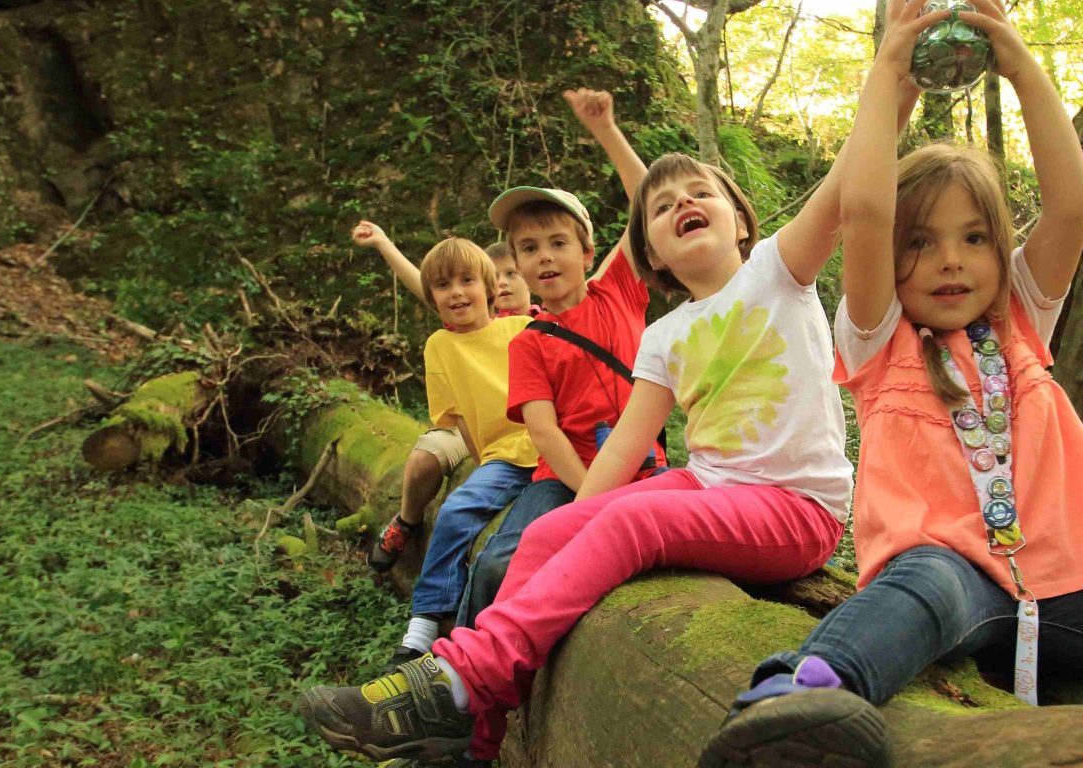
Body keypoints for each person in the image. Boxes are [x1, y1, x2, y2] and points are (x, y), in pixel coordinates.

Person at [699, 3, 1083, 766]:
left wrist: (1017, 61)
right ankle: (799, 697)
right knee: (922, 590)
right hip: (948, 573)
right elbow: (865, 207)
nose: (951, 261)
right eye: (922, 243)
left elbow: (1074, 203)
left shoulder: (1019, 319)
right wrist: (890, 74)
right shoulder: (879, 340)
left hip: (1061, 586)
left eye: (975, 238)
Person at [297, 96, 871, 767]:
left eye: (699, 192)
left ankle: (458, 679)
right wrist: (579, 522)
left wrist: (895, 65)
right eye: (659, 207)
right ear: (650, 250)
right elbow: (626, 445)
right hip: (708, 485)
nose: (680, 202)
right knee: (544, 533)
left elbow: (850, 178)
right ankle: (474, 742)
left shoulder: (779, 272)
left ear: (742, 219)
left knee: (628, 528)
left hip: (795, 509)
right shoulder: (663, 335)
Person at [452, 88, 669, 630]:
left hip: (647, 470)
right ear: (517, 268)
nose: (544, 256)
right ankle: (455, 670)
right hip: (564, 477)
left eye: (557, 242)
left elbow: (646, 200)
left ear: (588, 253)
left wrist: (606, 131)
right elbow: (545, 434)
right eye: (529, 248)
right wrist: (589, 497)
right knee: (501, 560)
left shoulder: (617, 290)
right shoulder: (529, 341)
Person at [378, 238, 539, 667]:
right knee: (456, 509)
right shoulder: (440, 347)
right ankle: (425, 621)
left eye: (467, 281)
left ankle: (472, 651)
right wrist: (483, 462)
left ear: (490, 288)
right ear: (431, 297)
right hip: (503, 457)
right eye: (444, 285)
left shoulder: (519, 328)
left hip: (551, 450)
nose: (457, 292)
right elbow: (460, 418)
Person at [350, 223, 534, 576]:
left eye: (513, 273)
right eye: (501, 274)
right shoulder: (456, 325)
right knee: (423, 461)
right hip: (467, 419)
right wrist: (384, 243)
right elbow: (427, 284)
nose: (506, 281)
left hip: (519, 429)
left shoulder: (534, 323)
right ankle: (406, 521)